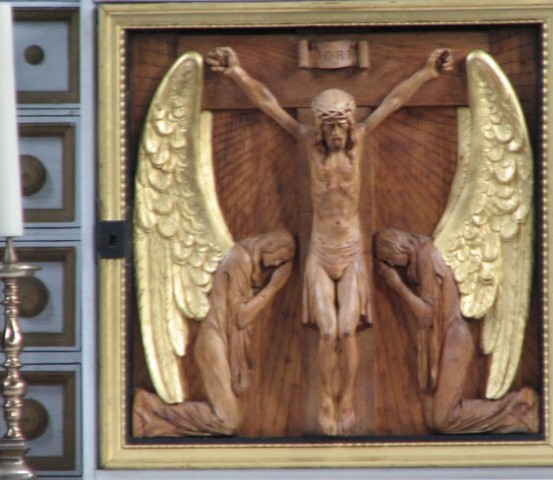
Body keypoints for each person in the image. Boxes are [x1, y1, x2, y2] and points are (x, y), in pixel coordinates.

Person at [207, 46, 453, 436]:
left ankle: (347, 400)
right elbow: (269, 104)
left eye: (342, 127)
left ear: (350, 125)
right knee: (327, 331)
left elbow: (394, 101)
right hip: (321, 253)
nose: (337, 134)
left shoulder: (360, 140)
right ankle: (326, 399)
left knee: (347, 331)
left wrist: (426, 71)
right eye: (331, 128)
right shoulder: (308, 143)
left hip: (351, 252)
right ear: (320, 128)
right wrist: (236, 72)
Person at [374, 228, 538, 434]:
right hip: (441, 340)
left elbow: (426, 315)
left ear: (397, 247)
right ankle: (514, 416)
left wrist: (396, 284)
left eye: (390, 259)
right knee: (433, 421)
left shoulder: (427, 256)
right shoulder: (426, 254)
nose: (394, 265)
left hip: (452, 339)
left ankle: (517, 407)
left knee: (442, 420)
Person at [133, 230, 295, 437]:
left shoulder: (244, 259)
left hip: (220, 342)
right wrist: (273, 287)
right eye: (280, 258)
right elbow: (240, 317)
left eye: (282, 263)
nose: (276, 264)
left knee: (228, 421)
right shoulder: (240, 258)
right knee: (228, 421)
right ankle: (150, 406)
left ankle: (151, 416)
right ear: (271, 245)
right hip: (214, 342)